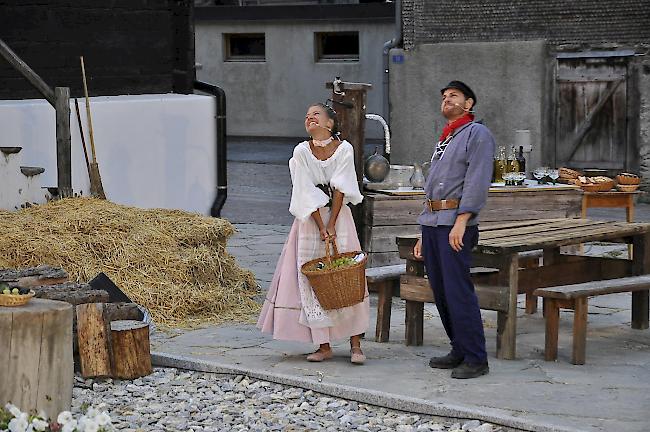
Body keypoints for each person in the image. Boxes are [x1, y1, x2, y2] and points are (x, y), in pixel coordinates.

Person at [257, 102, 369, 364]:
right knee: (313, 278)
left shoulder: (344, 149)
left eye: (316, 115)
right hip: (310, 220)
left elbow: (341, 186)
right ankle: (323, 343)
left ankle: (355, 344)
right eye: (307, 116)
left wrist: (332, 224)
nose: (310, 119)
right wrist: (321, 225)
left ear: (330, 122)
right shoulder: (301, 151)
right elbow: (304, 189)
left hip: (340, 218)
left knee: (347, 275)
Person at [413, 81, 495, 379]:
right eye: (444, 96)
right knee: (442, 290)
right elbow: (432, 185)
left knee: (458, 291)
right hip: (434, 223)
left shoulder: (477, 134)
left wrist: (462, 221)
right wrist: (423, 230)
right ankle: (459, 348)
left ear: (469, 103)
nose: (447, 100)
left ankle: (476, 357)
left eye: (454, 96)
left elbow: (477, 180)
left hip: (455, 224)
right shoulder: (447, 137)